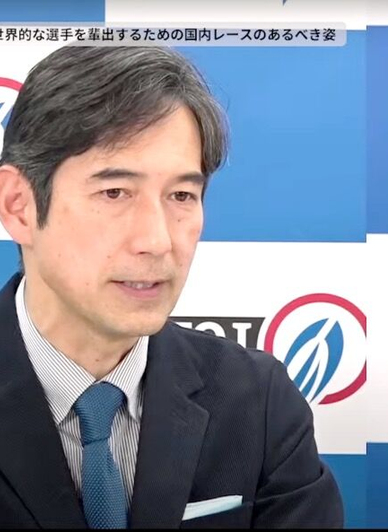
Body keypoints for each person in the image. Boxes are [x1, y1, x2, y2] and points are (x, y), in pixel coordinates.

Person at [0, 45, 343, 528]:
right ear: (19, 205)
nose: (157, 241)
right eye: (115, 193)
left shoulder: (258, 403)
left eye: (181, 195)